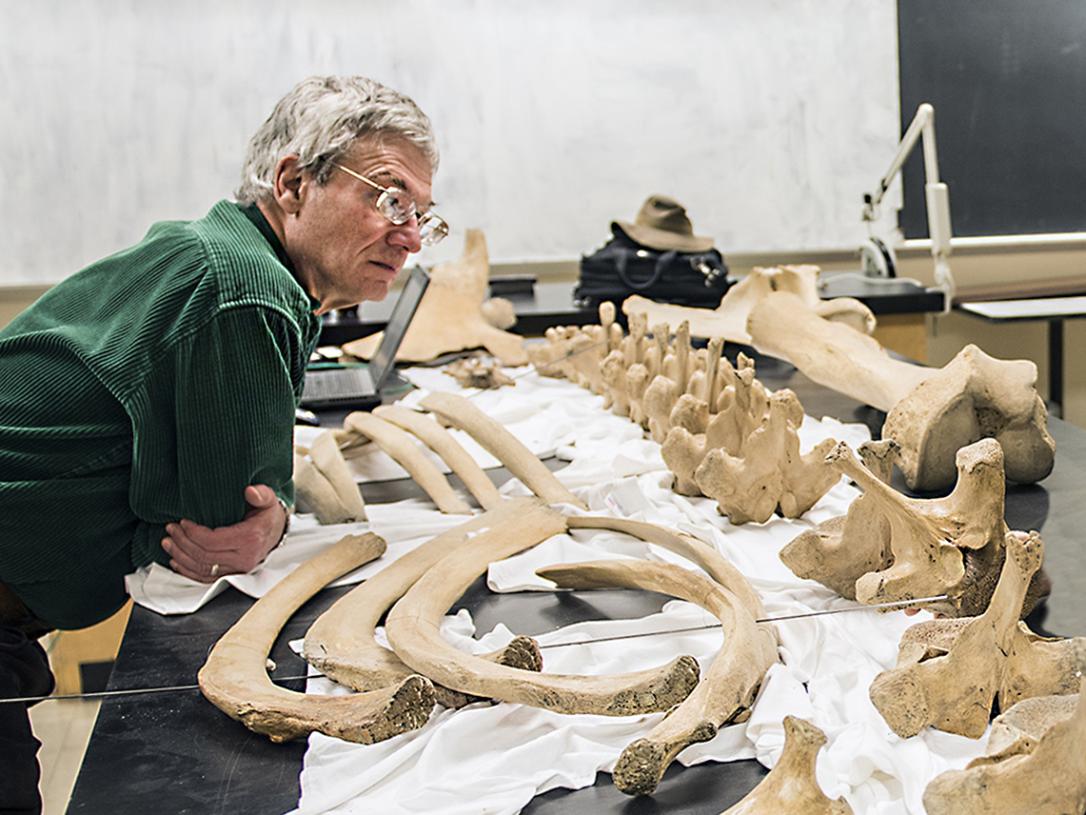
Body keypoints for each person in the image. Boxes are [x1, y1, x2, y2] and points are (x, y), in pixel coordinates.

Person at [0, 75, 447, 815]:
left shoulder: (224, 253)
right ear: (293, 181)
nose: (407, 234)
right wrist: (266, 516)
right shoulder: (247, 287)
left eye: (424, 217)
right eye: (390, 198)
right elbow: (213, 530)